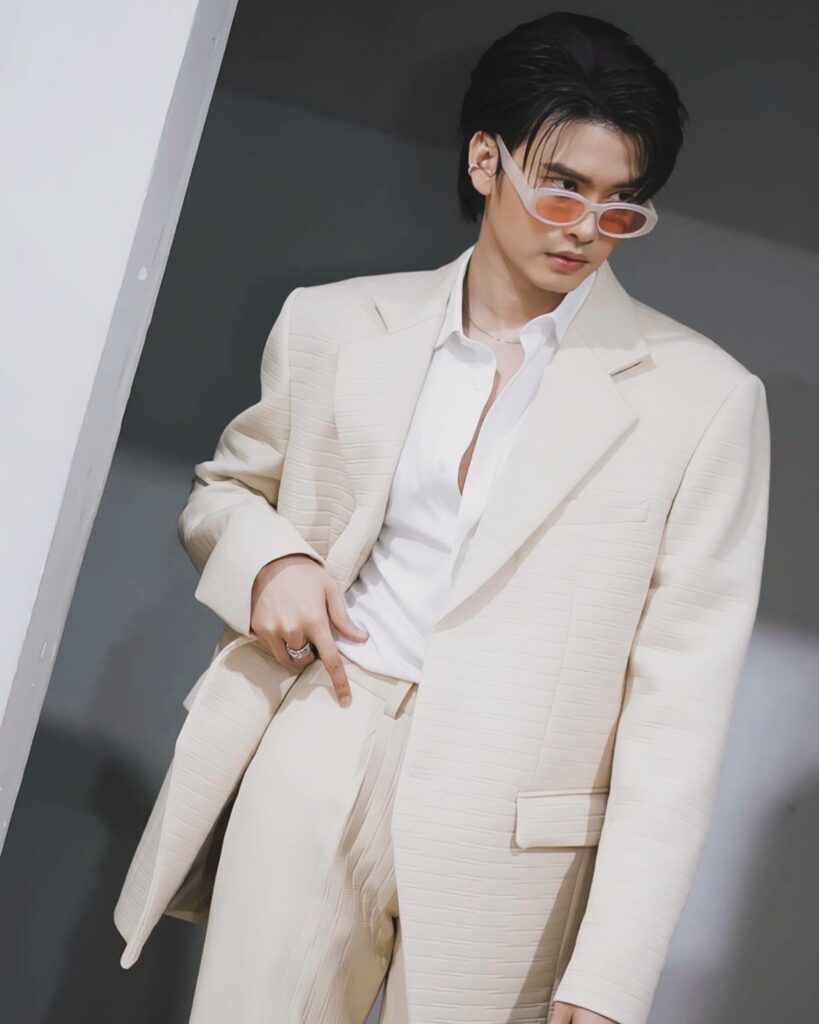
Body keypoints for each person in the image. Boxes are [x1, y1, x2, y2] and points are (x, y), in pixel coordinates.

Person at [114, 12, 770, 1024]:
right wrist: (272, 562)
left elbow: (680, 707)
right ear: (484, 161)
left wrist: (610, 975)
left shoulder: (704, 399)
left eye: (620, 206)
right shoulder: (334, 322)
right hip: (319, 739)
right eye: (562, 187)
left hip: (515, 836)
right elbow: (225, 491)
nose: (584, 228)